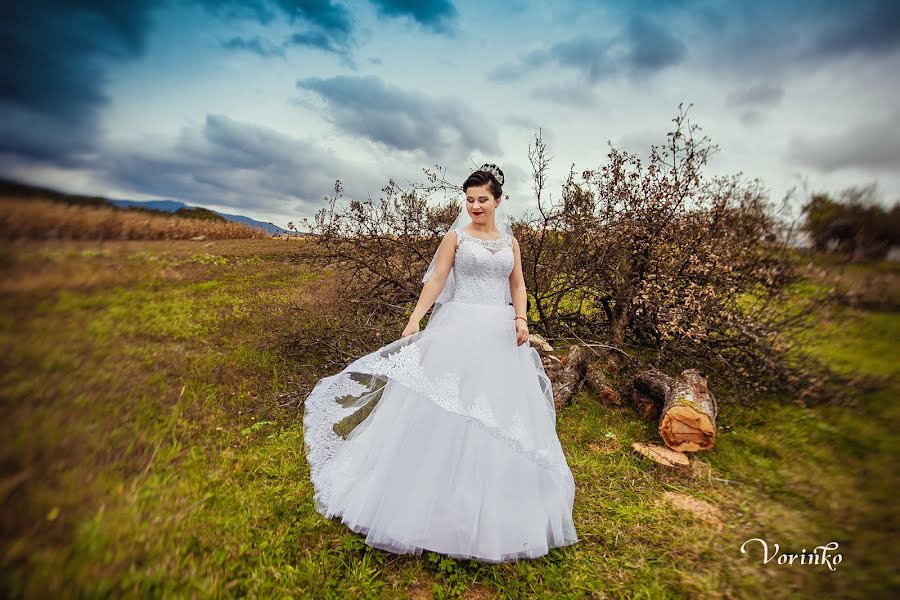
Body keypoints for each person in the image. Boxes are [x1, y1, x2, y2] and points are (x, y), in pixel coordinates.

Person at [303, 164, 579, 562]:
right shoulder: (456, 237)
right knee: (445, 407)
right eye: (468, 200)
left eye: (482, 199)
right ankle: (424, 500)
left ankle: (494, 508)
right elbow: (436, 279)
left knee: (498, 411)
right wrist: (416, 316)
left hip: (500, 333)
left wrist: (521, 319)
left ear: (498, 201)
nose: (475, 206)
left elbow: (517, 284)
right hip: (459, 326)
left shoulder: (510, 243)